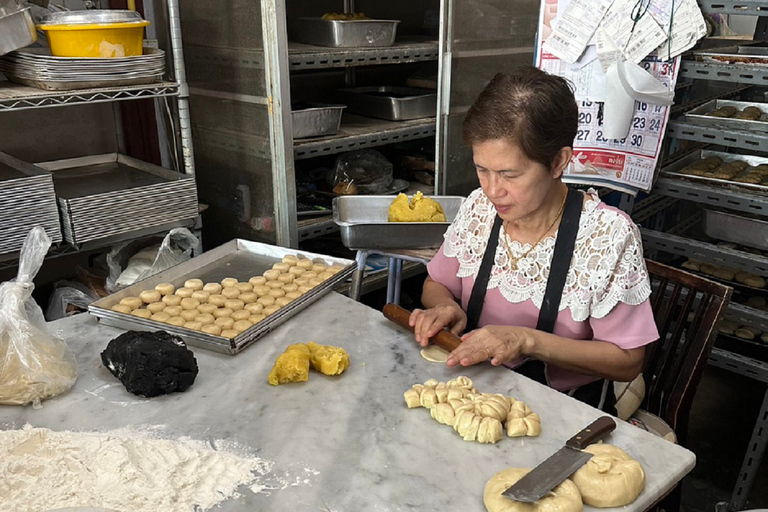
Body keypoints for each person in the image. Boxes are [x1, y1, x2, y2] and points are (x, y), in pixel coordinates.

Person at [408, 66, 659, 414]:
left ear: (558, 161)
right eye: (482, 169)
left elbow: (628, 360)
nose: (492, 190)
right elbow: (437, 282)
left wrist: (526, 340)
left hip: (561, 411)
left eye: (509, 174)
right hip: (469, 391)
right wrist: (445, 307)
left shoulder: (606, 236)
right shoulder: (480, 209)